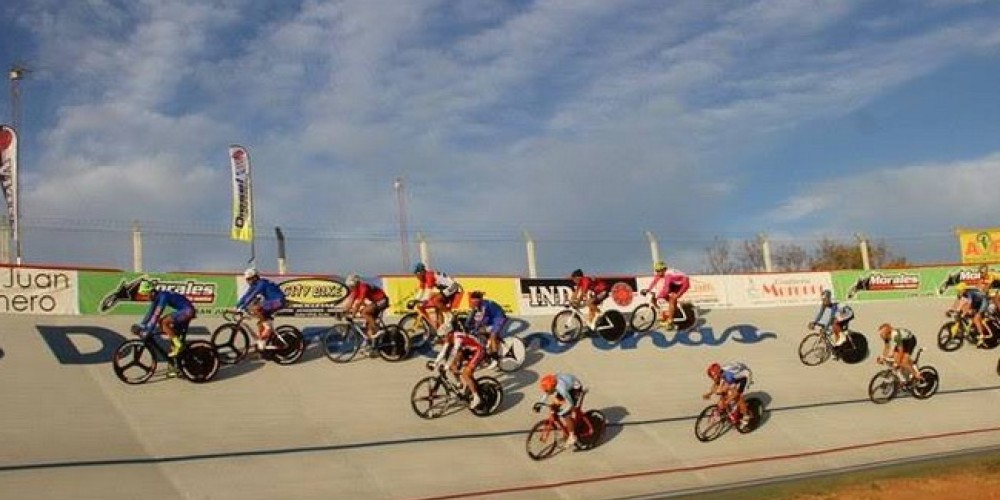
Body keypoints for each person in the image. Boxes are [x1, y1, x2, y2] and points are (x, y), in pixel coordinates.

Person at [428, 320, 485, 409]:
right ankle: (460, 383)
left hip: (478, 350)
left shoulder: (458, 338)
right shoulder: (449, 337)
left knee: (466, 374)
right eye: (440, 337)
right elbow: (443, 352)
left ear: (449, 334)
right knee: (452, 365)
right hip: (468, 351)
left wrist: (445, 367)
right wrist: (435, 364)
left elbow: (453, 353)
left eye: (443, 336)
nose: (442, 339)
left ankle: (476, 397)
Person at [136, 280, 196, 358]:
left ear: (152, 292)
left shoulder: (163, 296)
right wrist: (141, 325)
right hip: (186, 310)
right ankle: (178, 349)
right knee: (166, 327)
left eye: (146, 295)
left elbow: (156, 315)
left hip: (188, 311)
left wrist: (148, 330)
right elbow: (150, 313)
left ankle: (178, 345)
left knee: (164, 322)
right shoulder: (157, 297)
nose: (146, 297)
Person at [235, 267, 287, 352]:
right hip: (271, 301)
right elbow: (246, 295)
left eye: (249, 279)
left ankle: (267, 328)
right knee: (260, 323)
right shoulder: (254, 284)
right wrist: (237, 306)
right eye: (246, 280)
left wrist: (244, 306)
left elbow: (252, 295)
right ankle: (263, 341)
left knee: (256, 308)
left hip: (279, 301)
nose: (248, 282)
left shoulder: (261, 283)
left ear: (255, 277)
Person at [412, 262, 463, 336]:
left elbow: (428, 291)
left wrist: (423, 300)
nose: (416, 276)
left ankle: (449, 315)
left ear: (422, 272)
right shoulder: (423, 278)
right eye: (415, 274)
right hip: (445, 288)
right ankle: (443, 333)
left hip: (453, 286)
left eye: (417, 274)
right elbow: (421, 290)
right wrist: (415, 300)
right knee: (437, 307)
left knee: (436, 300)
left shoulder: (429, 275)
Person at [535, 373, 585, 447]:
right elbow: (546, 393)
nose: (548, 392)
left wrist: (564, 411)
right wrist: (539, 404)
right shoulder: (551, 383)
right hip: (566, 384)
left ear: (553, 387)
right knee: (554, 406)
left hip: (575, 389)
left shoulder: (562, 389)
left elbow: (570, 403)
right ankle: (566, 430)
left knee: (566, 415)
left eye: (549, 390)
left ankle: (572, 436)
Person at [343, 274, 389, 347]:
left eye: (351, 286)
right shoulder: (356, 290)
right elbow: (350, 302)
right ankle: (372, 345)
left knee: (364, 312)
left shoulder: (363, 287)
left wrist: (353, 315)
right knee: (368, 323)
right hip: (377, 301)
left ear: (355, 284)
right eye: (349, 287)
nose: (350, 288)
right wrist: (344, 312)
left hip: (382, 300)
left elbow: (360, 302)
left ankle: (377, 330)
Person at [642, 261, 691, 330]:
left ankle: (670, 321)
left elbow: (666, 290)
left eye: (659, 271)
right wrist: (648, 290)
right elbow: (654, 282)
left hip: (684, 284)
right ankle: (673, 310)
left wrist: (657, 297)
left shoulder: (668, 275)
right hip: (675, 283)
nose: (658, 273)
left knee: (672, 298)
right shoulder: (661, 274)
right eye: (656, 271)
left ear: (664, 270)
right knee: (665, 297)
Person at [465, 291, 508, 368]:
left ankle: (495, 357)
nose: (474, 304)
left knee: (493, 335)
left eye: (475, 302)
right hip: (491, 319)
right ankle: (486, 351)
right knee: (480, 332)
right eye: (472, 302)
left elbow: (481, 319)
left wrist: (474, 328)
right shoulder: (478, 305)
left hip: (499, 318)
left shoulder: (484, 306)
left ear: (480, 300)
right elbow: (474, 318)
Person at [702, 361, 753, 426]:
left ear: (717, 374)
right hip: (734, 374)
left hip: (745, 376)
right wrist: (709, 393)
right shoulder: (720, 372)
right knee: (724, 391)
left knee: (739, 396)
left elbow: (734, 392)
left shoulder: (728, 376)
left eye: (713, 377)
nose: (713, 379)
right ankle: (731, 408)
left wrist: (727, 401)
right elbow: (716, 383)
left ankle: (746, 415)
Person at [949, 282, 991, 348]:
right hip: (976, 302)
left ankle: (981, 336)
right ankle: (973, 327)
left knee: (976, 318)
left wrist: (963, 313)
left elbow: (969, 305)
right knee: (966, 311)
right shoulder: (963, 294)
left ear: (963, 290)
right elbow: (959, 303)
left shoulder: (969, 293)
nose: (958, 292)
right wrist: (952, 309)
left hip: (983, 302)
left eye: (959, 290)